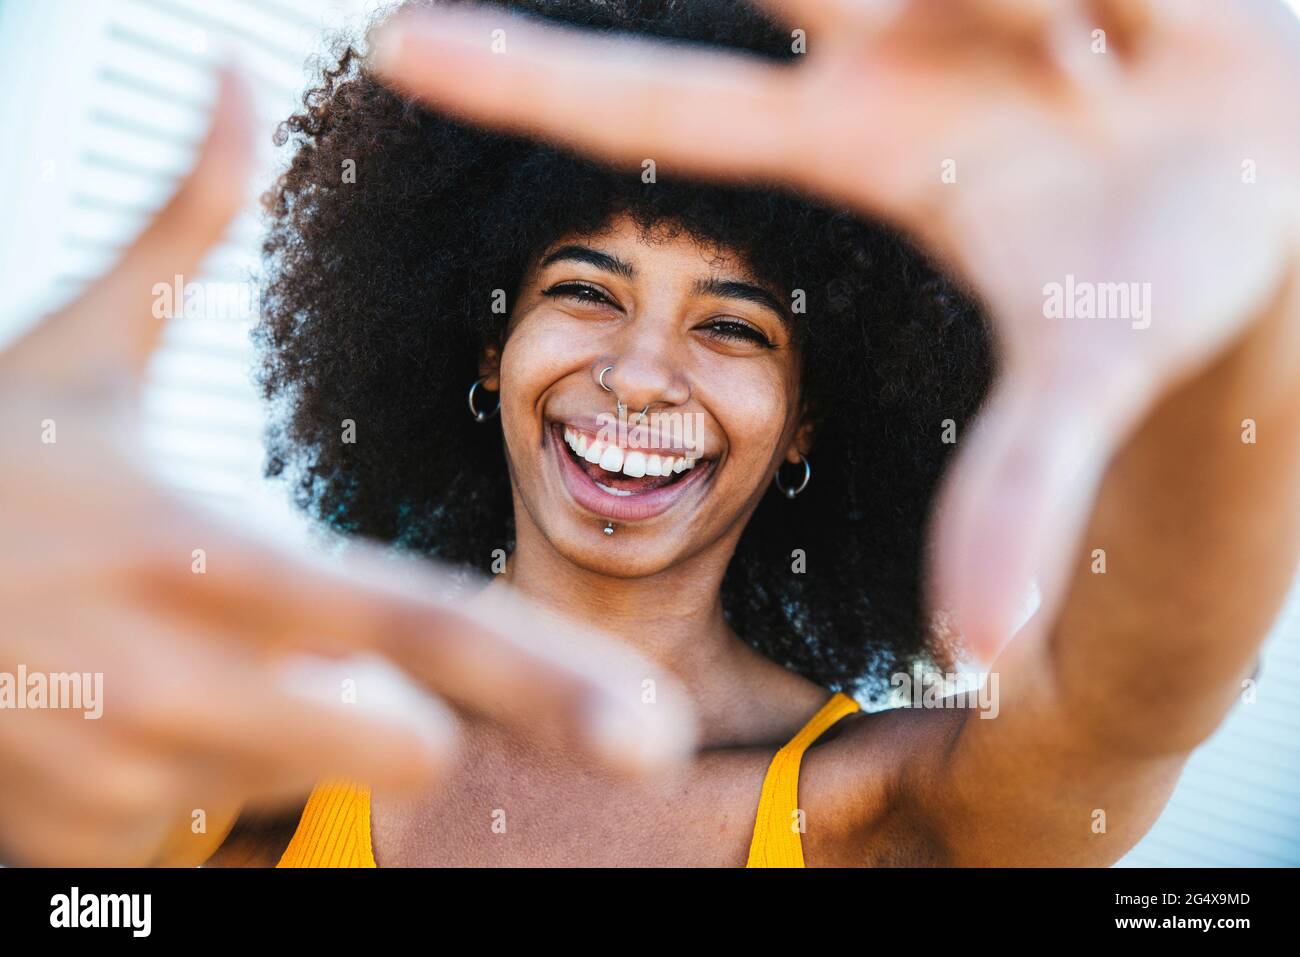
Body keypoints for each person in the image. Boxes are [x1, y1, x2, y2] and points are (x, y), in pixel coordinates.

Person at [5, 0, 1300, 867]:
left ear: (807, 429)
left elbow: (1137, 702)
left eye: (733, 326)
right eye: (583, 291)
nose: (636, 375)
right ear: (483, 349)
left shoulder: (883, 807)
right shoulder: (274, 745)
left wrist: (1250, 309)